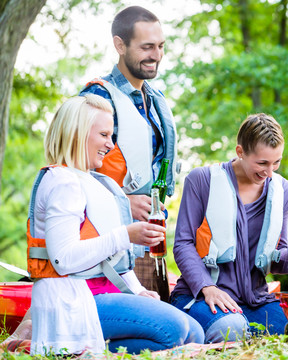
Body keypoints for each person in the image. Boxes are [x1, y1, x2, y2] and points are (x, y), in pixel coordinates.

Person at [28, 95, 203, 355]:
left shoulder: (97, 182)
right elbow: (63, 259)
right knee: (175, 330)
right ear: (77, 133)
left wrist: (138, 291)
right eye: (104, 135)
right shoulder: (61, 182)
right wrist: (126, 234)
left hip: (102, 294)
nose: (110, 145)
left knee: (195, 332)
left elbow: (113, 259)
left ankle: (93, 350)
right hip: (73, 301)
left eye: (112, 136)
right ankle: (77, 349)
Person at [170, 113, 288, 343]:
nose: (270, 172)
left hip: (255, 301)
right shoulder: (201, 180)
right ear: (240, 152)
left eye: (277, 162)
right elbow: (183, 244)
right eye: (262, 163)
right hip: (201, 296)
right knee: (231, 329)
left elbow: (276, 260)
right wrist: (207, 287)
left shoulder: (284, 190)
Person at [80, 6, 177, 301]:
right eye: (147, 47)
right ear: (120, 45)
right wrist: (123, 200)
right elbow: (72, 171)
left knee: (173, 328)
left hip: (149, 239)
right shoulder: (97, 98)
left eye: (160, 46)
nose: (156, 55)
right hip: (108, 243)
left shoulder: (156, 101)